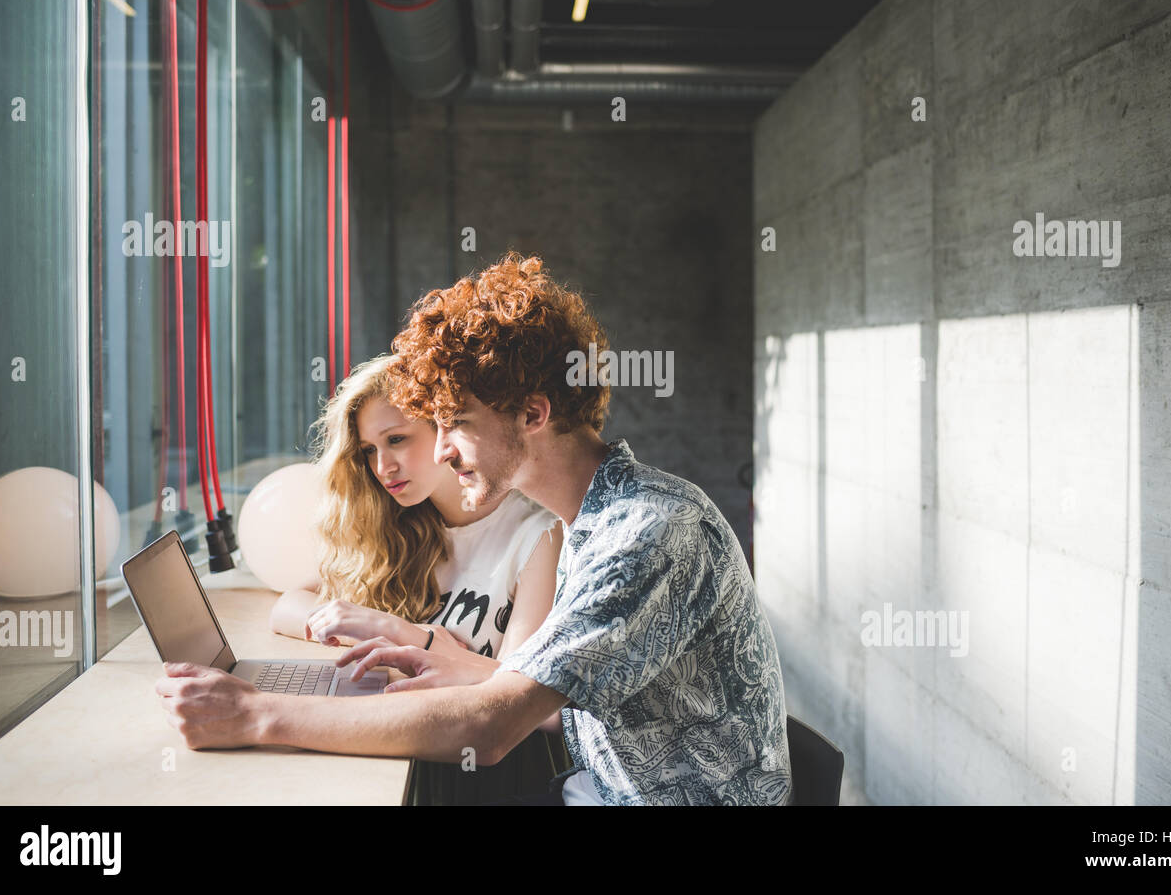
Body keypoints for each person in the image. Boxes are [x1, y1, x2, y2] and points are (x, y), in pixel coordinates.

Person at [157, 255, 792, 805]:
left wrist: (257, 714)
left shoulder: (649, 532)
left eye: (455, 422)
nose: (445, 451)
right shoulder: (596, 518)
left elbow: (489, 734)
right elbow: (563, 702)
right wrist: (454, 666)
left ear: (534, 413)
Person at [267, 354, 566, 803]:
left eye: (398, 440)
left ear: (445, 430)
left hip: (496, 778)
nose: (383, 466)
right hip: (408, 750)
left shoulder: (536, 533)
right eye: (369, 450)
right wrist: (367, 632)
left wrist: (401, 633)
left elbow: (523, 699)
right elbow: (288, 605)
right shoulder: (400, 527)